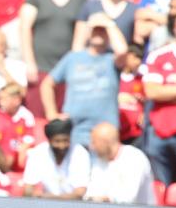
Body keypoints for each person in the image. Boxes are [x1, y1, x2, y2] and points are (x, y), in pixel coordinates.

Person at [42, 14, 127, 147]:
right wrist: (51, 113)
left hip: (105, 131)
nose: (98, 33)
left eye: (102, 30)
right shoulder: (73, 58)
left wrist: (109, 24)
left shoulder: (111, 59)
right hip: (75, 130)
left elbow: (122, 51)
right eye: (95, 30)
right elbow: (47, 84)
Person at [142, 9, 176, 185]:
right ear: (174, 29)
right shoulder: (159, 55)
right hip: (160, 129)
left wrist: (167, 91)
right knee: (160, 185)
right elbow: (152, 92)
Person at [85, 122, 156, 205]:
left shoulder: (134, 158)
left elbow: (129, 198)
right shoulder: (99, 161)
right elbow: (91, 192)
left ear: (106, 142)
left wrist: (105, 199)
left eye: (94, 142)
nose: (91, 147)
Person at [22, 119, 89, 199]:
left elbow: (79, 193)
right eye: (57, 141)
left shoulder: (79, 152)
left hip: (74, 205)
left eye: (65, 140)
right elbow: (28, 189)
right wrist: (34, 195)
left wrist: (49, 198)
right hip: (45, 205)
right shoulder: (38, 153)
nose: (62, 146)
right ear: (49, 141)